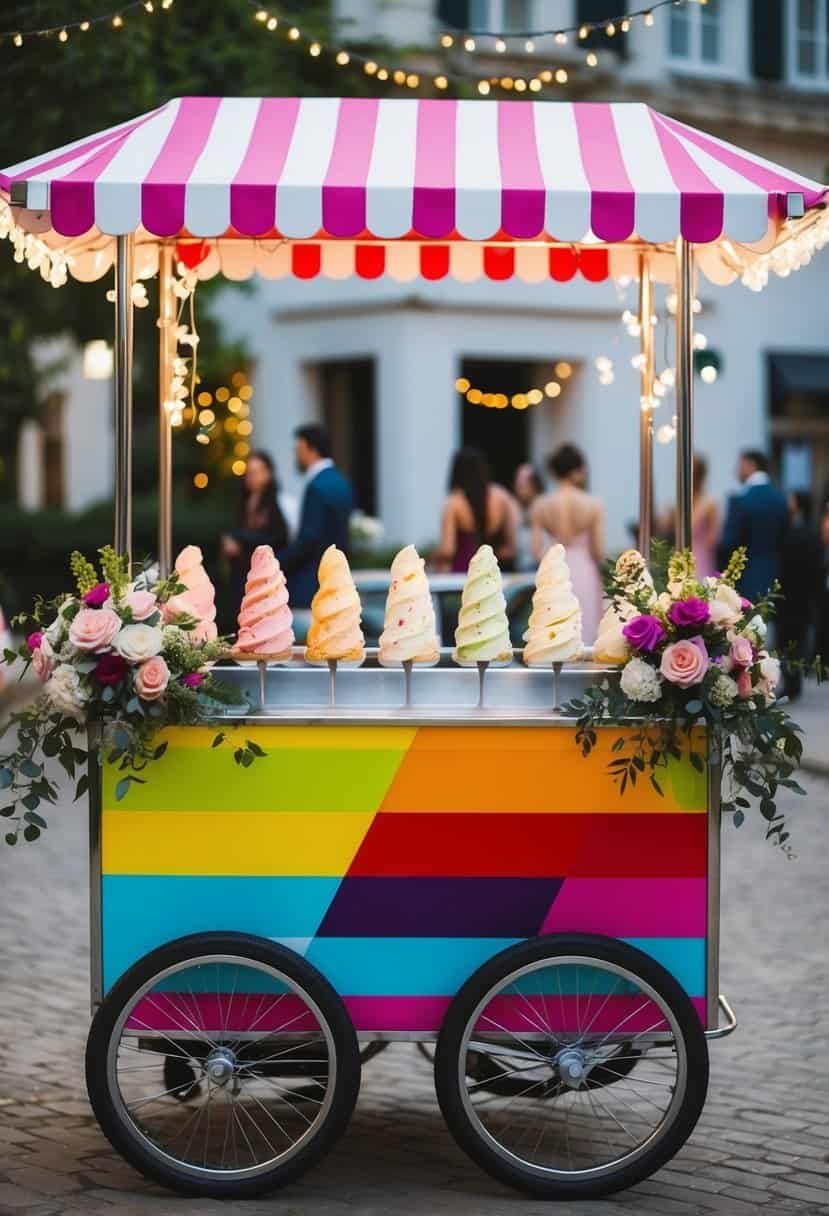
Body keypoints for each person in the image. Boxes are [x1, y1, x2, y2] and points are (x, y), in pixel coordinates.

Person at [530, 443, 604, 643]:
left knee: (554, 634)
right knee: (586, 629)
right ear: (577, 469)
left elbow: (535, 550)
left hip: (554, 570)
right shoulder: (593, 504)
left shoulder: (540, 504)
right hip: (584, 570)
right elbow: (598, 551)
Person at [276, 423, 354, 609]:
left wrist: (277, 562)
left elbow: (309, 539)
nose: (297, 456)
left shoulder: (316, 486)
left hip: (313, 581)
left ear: (310, 449)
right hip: (338, 576)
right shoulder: (341, 482)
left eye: (298, 449)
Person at [221, 451, 291, 614]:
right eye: (249, 473)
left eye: (256, 472)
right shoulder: (244, 501)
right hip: (241, 571)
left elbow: (278, 538)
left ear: (267, 473)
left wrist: (240, 539)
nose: (251, 477)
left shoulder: (275, 503)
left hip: (264, 574)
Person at [718, 450, 788, 603]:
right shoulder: (780, 499)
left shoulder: (740, 500)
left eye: (740, 465)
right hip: (774, 574)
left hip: (745, 577)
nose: (736, 471)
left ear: (751, 465)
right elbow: (785, 538)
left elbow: (729, 543)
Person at [434, 447, 518, 573]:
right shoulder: (502, 496)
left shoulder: (454, 503)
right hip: (496, 573)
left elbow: (448, 549)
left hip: (464, 575)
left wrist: (433, 559)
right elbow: (511, 548)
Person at [778, 492, 823, 700]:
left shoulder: (795, 532)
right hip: (802, 596)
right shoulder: (810, 533)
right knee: (796, 640)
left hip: (792, 595)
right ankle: (793, 683)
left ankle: (792, 683)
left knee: (789, 640)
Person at [513, 463, 545, 572]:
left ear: (535, 484)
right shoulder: (517, 507)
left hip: (539, 567)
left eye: (522, 484)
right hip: (522, 567)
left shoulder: (543, 506)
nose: (518, 488)